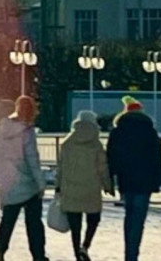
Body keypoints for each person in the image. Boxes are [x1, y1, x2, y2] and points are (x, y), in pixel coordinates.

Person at [106, 96, 161, 261]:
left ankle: (129, 252)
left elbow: (111, 156)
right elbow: (157, 157)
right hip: (145, 181)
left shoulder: (118, 131)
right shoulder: (150, 131)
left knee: (129, 215)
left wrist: (110, 178)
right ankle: (133, 253)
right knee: (138, 218)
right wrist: (158, 179)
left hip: (126, 180)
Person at [0, 95, 48, 261]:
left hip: (9, 181)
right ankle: (38, 255)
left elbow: (0, 157)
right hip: (28, 184)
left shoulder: (3, 131)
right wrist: (40, 184)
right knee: (34, 224)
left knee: (7, 221)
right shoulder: (27, 132)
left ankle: (0, 250)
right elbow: (32, 159)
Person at [56, 110, 113, 261]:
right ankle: (85, 246)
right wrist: (108, 185)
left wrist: (58, 186)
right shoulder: (96, 144)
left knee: (75, 225)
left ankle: (77, 252)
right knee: (93, 219)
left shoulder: (67, 143)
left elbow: (61, 167)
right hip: (91, 188)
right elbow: (102, 167)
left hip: (71, 188)